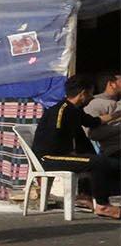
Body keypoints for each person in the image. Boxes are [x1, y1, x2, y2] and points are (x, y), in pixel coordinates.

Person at [33, 76, 120, 218]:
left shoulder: (75, 111)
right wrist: (74, 154)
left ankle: (87, 196)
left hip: (62, 155)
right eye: (90, 93)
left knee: (101, 160)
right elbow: (52, 142)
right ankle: (103, 206)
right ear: (83, 94)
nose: (92, 97)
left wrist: (118, 114)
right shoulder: (60, 111)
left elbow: (95, 122)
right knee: (97, 162)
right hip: (49, 158)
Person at [85, 72, 120, 158]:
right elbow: (92, 133)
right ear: (112, 84)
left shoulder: (117, 103)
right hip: (115, 151)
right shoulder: (96, 103)